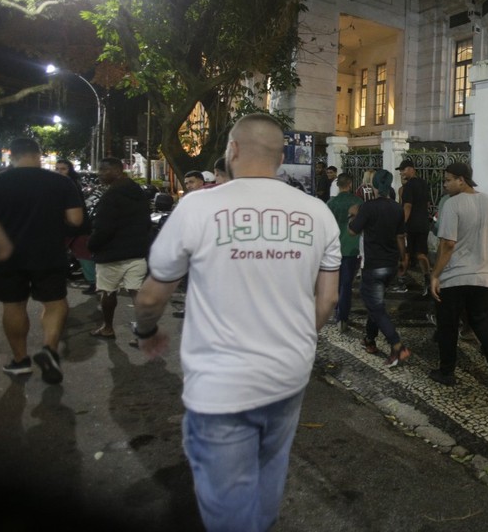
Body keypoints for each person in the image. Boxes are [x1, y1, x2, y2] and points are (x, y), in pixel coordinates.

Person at [133, 113, 341, 531]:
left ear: (232, 150)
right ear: (282, 157)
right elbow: (329, 299)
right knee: (269, 469)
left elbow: (153, 295)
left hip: (221, 384)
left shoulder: (198, 206)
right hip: (289, 372)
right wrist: (297, 339)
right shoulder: (317, 213)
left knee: (227, 498)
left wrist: (146, 330)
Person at [0, 138, 83, 383]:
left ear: (12, 156)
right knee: (54, 303)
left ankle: (21, 361)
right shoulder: (60, 181)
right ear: (38, 155)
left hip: (8, 257)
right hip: (48, 252)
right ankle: (49, 349)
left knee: (13, 306)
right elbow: (76, 219)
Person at [429, 163, 488, 388]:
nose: (445, 184)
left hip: (455, 277)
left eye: (448, 180)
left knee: (448, 324)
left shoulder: (453, 204)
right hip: (483, 276)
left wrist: (435, 275)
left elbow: (447, 244)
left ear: (461, 180)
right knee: (482, 322)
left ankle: (447, 372)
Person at [347, 169, 411, 367]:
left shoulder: (367, 207)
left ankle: (398, 346)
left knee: (375, 306)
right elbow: (400, 237)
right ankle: (369, 339)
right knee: (376, 304)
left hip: (374, 265)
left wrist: (352, 215)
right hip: (391, 264)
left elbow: (352, 231)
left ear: (373, 185)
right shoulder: (397, 208)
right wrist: (404, 259)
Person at [87, 157, 152, 340]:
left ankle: (108, 327)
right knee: (136, 291)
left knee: (108, 291)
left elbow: (103, 228)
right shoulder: (136, 190)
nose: (99, 174)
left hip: (111, 253)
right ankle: (144, 331)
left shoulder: (111, 195)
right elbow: (146, 221)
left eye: (103, 170)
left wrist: (92, 245)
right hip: (136, 252)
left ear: (117, 171)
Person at [327, 172, 363, 333]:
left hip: (333, 248)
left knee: (336, 282)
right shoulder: (358, 202)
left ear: (338, 185)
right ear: (350, 184)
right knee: (346, 284)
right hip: (351, 247)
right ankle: (343, 317)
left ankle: (336, 312)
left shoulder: (330, 203)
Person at [56, 158, 97, 294]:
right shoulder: (66, 183)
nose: (59, 171)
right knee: (82, 254)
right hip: (71, 226)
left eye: (63, 169)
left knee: (83, 255)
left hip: (74, 226)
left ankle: (93, 282)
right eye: (57, 169)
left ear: (70, 170)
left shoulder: (69, 185)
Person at [395, 159, 432, 295]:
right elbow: (427, 203)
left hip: (411, 225)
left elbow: (407, 206)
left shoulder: (409, 186)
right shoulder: (423, 183)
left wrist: (402, 224)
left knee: (405, 254)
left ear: (411, 169)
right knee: (421, 253)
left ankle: (401, 283)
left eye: (403, 170)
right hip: (423, 223)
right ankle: (428, 279)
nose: (401, 173)